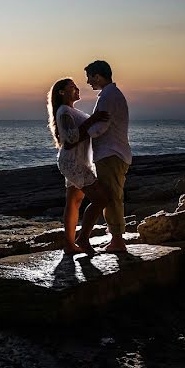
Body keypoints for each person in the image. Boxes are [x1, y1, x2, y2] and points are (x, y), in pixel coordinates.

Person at [47, 78, 110, 254]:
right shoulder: (64, 111)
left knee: (74, 202)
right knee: (101, 199)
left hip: (76, 161)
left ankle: (69, 245)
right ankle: (82, 239)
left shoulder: (69, 111)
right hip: (73, 162)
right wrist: (93, 120)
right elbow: (71, 140)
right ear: (61, 92)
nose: (76, 89)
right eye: (72, 87)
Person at [80, 60, 132, 253]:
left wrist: (80, 131)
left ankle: (118, 241)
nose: (88, 82)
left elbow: (99, 128)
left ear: (98, 76)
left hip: (111, 153)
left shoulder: (108, 97)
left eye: (89, 77)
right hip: (114, 152)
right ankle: (116, 239)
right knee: (113, 196)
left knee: (112, 197)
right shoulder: (112, 95)